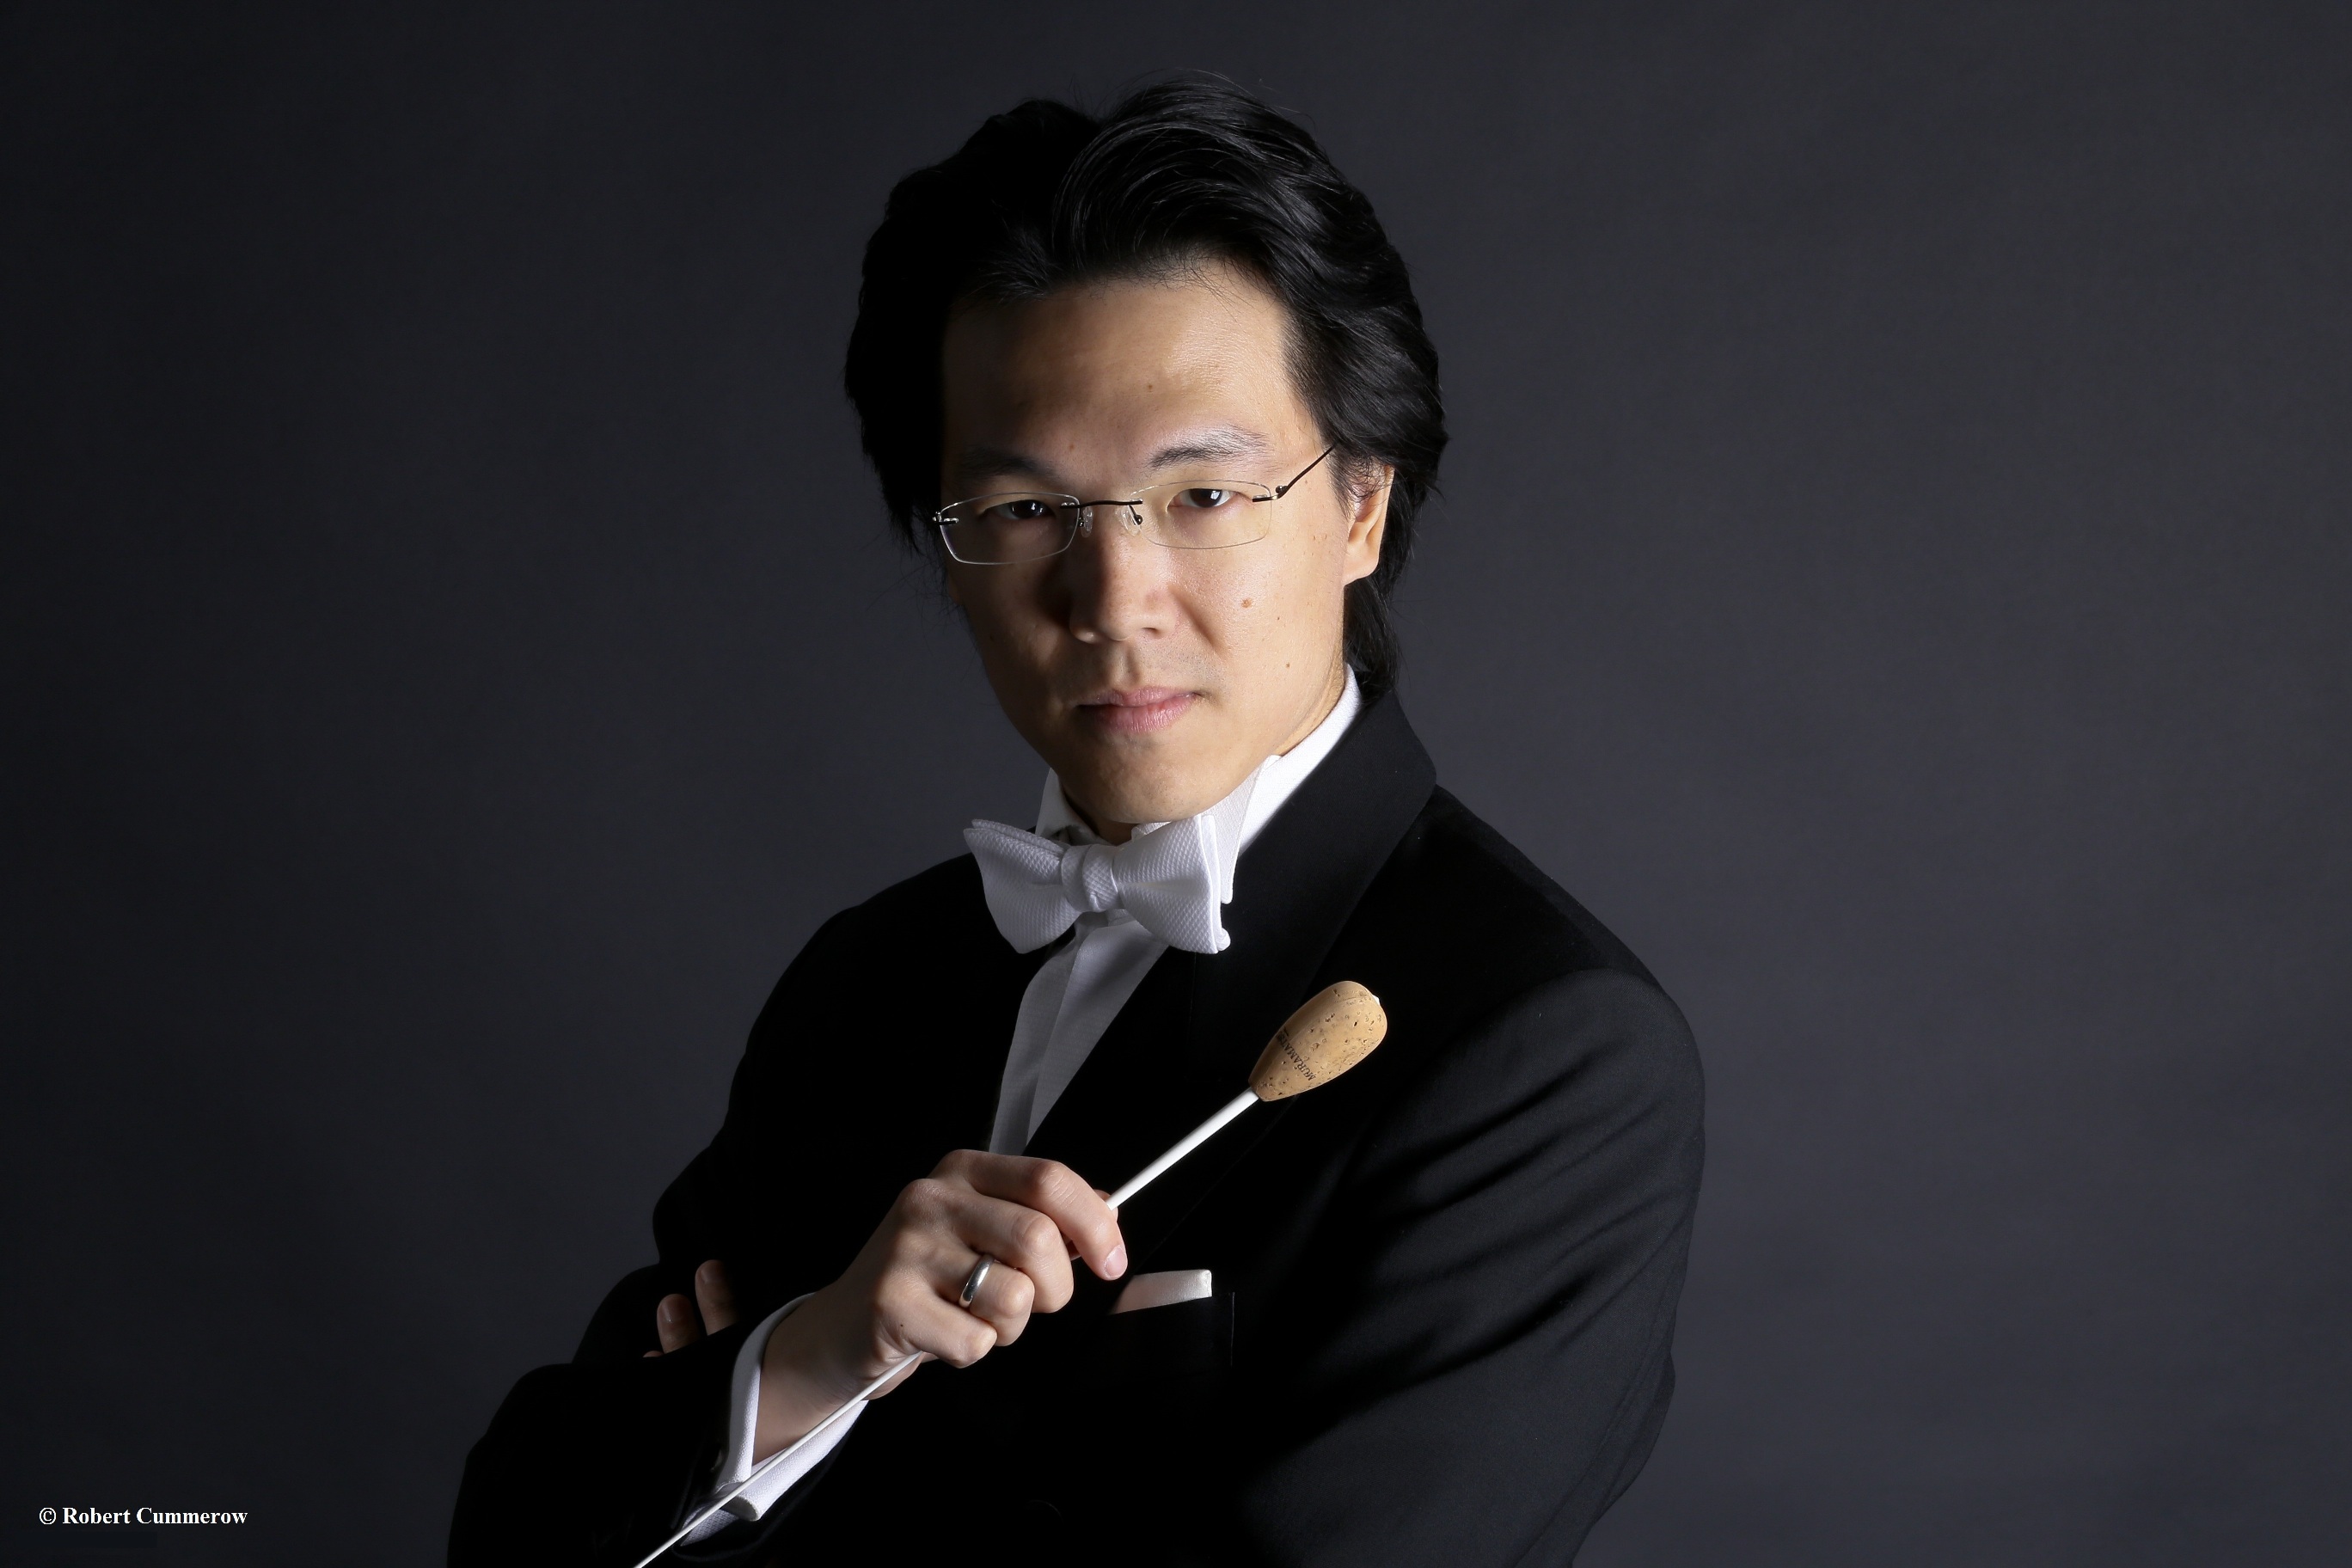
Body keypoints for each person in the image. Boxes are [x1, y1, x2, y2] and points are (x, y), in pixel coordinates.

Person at [450, 78, 1703, 1567]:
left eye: (1206, 495)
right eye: (1026, 513)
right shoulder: (862, 982)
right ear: (949, 547)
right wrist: (803, 1360)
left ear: (1361, 506)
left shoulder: (1547, 1052)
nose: (1112, 602)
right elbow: (517, 1533)